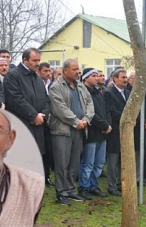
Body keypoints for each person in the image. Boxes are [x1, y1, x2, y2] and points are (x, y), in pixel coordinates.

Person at [49, 59, 94, 205]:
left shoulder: (81, 86)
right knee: (62, 163)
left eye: (78, 69)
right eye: (74, 69)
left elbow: (89, 104)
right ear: (65, 70)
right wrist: (76, 121)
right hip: (62, 131)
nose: (78, 72)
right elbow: (59, 108)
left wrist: (86, 119)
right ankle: (61, 193)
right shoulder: (56, 87)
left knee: (75, 162)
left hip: (80, 129)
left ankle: (70, 190)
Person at [4, 48, 50, 185]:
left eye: (39, 60)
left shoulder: (37, 78)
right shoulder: (13, 76)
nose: (37, 64)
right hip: (22, 125)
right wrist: (33, 115)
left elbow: (46, 100)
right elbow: (15, 99)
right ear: (25, 60)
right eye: (34, 60)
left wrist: (43, 114)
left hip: (38, 126)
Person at [78, 68, 110, 199]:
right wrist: (103, 124)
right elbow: (90, 113)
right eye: (94, 76)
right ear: (85, 78)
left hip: (103, 132)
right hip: (91, 132)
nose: (97, 78)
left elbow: (106, 110)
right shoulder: (83, 92)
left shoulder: (98, 92)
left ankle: (93, 185)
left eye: (98, 76)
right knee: (88, 162)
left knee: (99, 162)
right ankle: (84, 187)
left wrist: (108, 124)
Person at [104, 69, 129, 196]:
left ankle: (121, 184)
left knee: (123, 160)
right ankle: (112, 186)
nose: (125, 80)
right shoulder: (109, 93)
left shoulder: (128, 93)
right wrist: (128, 118)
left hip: (127, 131)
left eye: (126, 77)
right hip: (114, 130)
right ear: (114, 78)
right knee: (113, 160)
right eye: (122, 77)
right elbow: (112, 111)